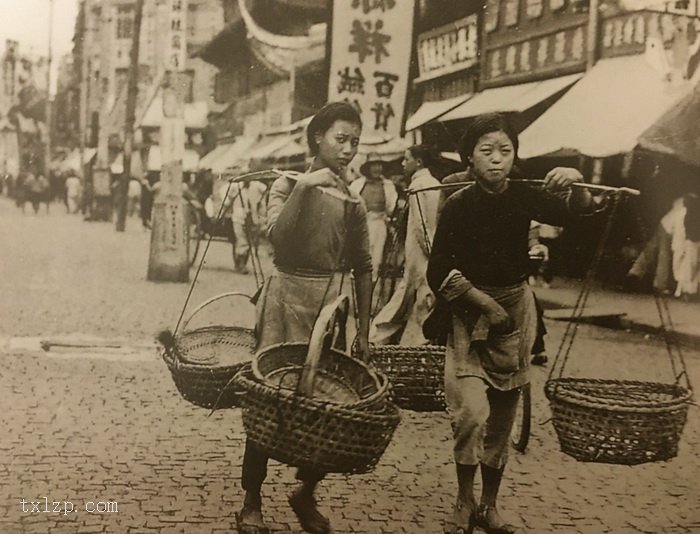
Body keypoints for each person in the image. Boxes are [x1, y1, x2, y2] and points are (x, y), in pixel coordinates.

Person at [426, 113, 595, 534]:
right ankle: (463, 500)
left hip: (515, 310)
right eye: (486, 152)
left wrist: (576, 181)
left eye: (505, 151)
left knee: (503, 412)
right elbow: (438, 270)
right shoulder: (458, 202)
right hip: (470, 312)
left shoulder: (523, 196)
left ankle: (489, 505)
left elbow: (580, 214)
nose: (497, 160)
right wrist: (483, 303)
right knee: (470, 413)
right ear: (469, 157)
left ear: (515, 156)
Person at [237, 102, 373, 534]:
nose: (349, 149)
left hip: (327, 307)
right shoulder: (286, 184)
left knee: (327, 406)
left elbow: (363, 266)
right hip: (284, 297)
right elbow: (279, 236)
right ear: (318, 138)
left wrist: (365, 331)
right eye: (341, 139)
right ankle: (251, 500)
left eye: (355, 141)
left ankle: (305, 491)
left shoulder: (354, 201)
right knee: (268, 398)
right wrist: (305, 187)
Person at [370, 145, 441, 345]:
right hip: (422, 252)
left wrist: (430, 252)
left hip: (421, 253)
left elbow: (422, 226)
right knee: (413, 298)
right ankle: (400, 341)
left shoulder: (421, 186)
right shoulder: (431, 182)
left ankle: (380, 338)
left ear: (418, 162)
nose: (403, 163)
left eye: (406, 159)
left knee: (411, 297)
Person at [349, 153, 398, 281]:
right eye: (373, 165)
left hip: (380, 222)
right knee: (362, 253)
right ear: (368, 168)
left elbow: (391, 207)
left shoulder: (387, 185)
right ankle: (358, 279)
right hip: (362, 223)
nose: (377, 168)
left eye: (379, 165)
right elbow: (350, 203)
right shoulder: (358, 184)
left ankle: (372, 280)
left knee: (376, 256)